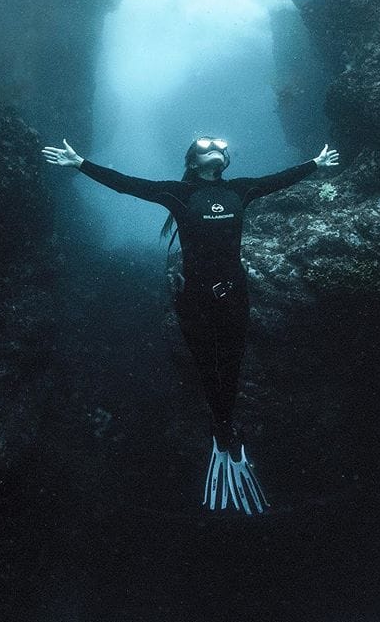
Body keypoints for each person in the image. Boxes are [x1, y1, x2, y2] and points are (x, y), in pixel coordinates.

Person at [42, 135, 339, 514]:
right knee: (205, 364)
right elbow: (128, 184)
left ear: (226, 158)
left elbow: (279, 179)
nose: (215, 145)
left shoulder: (241, 189)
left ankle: (225, 429)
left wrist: (314, 164)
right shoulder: (178, 193)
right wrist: (81, 163)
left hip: (234, 293)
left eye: (220, 142)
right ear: (194, 160)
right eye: (205, 143)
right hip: (194, 298)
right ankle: (221, 427)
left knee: (232, 363)